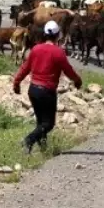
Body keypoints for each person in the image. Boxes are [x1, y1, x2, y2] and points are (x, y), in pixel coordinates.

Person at [12, 20, 81, 154]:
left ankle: (44, 151)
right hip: (47, 92)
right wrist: (77, 81)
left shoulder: (36, 49)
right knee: (48, 124)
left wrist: (16, 82)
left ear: (44, 34)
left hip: (33, 90)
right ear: (57, 35)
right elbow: (68, 70)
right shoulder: (58, 52)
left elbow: (25, 68)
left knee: (41, 123)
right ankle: (28, 140)